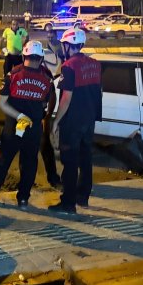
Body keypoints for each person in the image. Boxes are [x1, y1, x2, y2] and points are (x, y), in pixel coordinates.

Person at [0, 41, 53, 209]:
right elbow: (45, 104)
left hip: (13, 127)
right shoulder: (47, 77)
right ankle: (23, 199)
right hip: (33, 128)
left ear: (24, 55)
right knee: (29, 164)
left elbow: (1, 103)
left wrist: (20, 116)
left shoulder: (14, 74)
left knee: (2, 161)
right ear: (40, 58)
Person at [49, 29, 102, 215]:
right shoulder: (95, 64)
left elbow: (66, 98)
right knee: (86, 158)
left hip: (73, 122)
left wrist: (56, 121)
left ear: (68, 45)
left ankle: (68, 203)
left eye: (64, 44)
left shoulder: (69, 66)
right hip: (89, 120)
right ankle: (83, 197)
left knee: (70, 161)